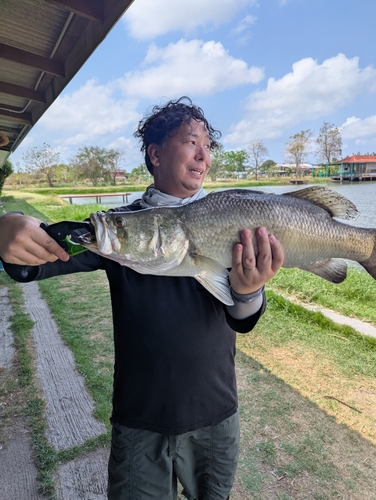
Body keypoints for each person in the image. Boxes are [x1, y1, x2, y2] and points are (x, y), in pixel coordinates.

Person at [0, 97, 284, 500]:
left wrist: (250, 289)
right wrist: (9, 228)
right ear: (155, 153)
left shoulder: (227, 219)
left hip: (217, 416)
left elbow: (243, 319)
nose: (203, 155)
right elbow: (43, 253)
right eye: (190, 142)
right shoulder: (119, 229)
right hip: (140, 420)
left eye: (208, 146)